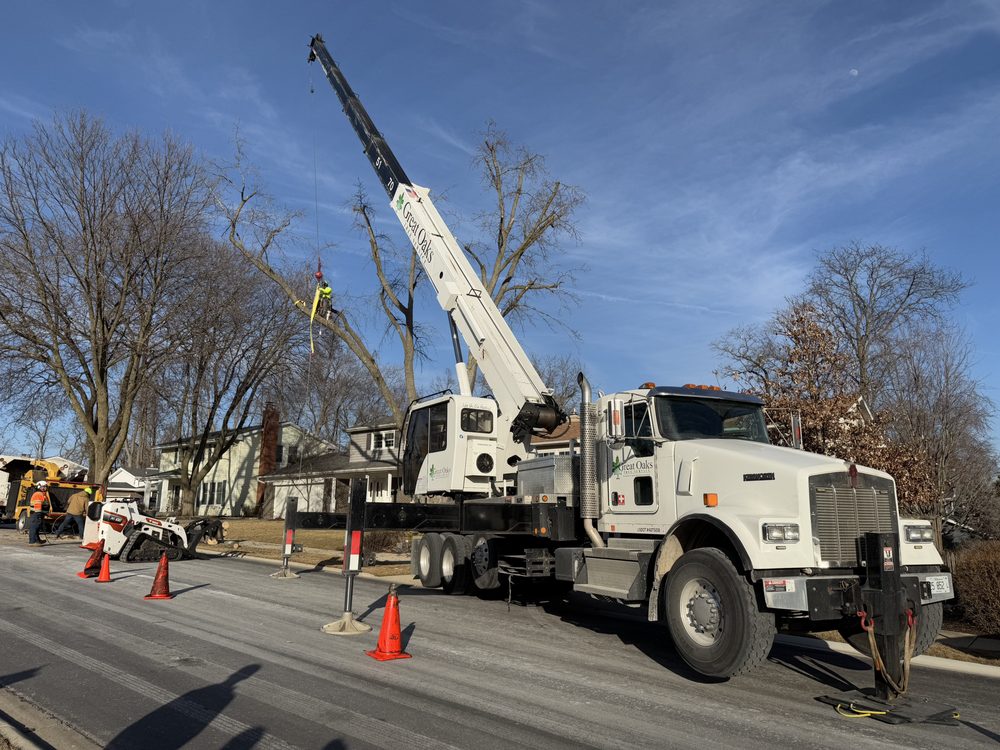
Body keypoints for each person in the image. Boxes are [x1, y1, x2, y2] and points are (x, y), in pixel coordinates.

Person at [27, 480, 51, 547]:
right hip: (36, 513)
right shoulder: (38, 494)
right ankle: (32, 542)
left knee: (37, 527)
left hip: (38, 513)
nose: (45, 488)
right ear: (39, 487)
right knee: (34, 527)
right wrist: (39, 514)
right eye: (43, 486)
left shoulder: (42, 494)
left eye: (45, 486)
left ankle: (37, 540)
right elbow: (38, 505)